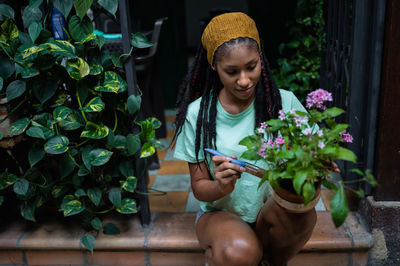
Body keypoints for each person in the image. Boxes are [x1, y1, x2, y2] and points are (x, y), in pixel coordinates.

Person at [172, 12, 316, 266]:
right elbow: (199, 188)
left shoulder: (284, 103)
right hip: (219, 215)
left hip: (270, 212)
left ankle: (268, 260)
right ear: (215, 67)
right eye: (232, 71)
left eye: (251, 67)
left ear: (261, 59)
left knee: (303, 216)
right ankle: (230, 254)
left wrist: (318, 160)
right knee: (241, 251)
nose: (244, 80)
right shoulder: (198, 114)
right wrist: (220, 186)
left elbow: (313, 151)